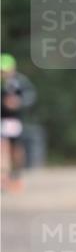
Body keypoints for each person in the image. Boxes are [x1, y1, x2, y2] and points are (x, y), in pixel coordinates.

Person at [1, 53, 36, 192]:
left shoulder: (20, 81)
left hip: (14, 120)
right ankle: (3, 179)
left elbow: (30, 96)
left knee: (15, 150)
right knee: (2, 149)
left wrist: (18, 102)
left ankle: (15, 177)